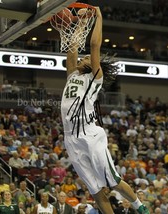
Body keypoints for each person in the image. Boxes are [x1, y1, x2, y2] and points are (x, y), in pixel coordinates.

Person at [60, 7, 150, 214]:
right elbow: (72, 47)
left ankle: (140, 207)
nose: (82, 58)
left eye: (86, 59)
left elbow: (93, 44)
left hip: (90, 135)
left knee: (113, 181)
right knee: (95, 190)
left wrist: (98, 17)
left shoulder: (95, 76)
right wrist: (81, 23)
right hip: (71, 138)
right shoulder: (72, 74)